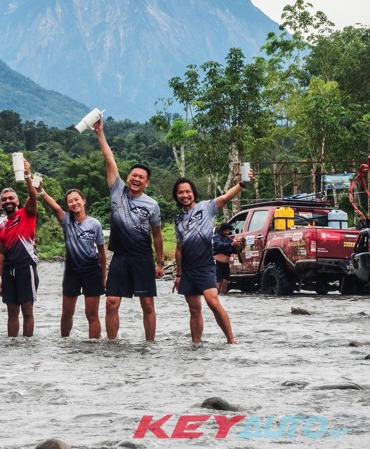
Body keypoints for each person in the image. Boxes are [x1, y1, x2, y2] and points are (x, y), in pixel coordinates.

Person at [92, 119, 164, 341]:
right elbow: (109, 159)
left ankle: (149, 344)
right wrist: (100, 133)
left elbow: (157, 234)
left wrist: (160, 262)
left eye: (141, 177)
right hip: (120, 257)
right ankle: (112, 343)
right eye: (134, 175)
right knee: (111, 302)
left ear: (147, 183)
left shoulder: (152, 205)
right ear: (128, 177)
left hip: (143, 257)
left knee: (147, 304)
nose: (136, 179)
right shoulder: (117, 191)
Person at [172, 172, 250, 344]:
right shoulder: (178, 219)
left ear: (193, 193)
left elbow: (226, 197)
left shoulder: (207, 207)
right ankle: (196, 343)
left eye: (187, 191)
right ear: (176, 196)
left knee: (213, 302)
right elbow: (179, 248)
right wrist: (178, 274)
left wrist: (242, 183)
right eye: (180, 192)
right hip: (188, 270)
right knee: (194, 309)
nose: (184, 195)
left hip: (206, 265)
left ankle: (231, 341)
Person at [39, 186, 107, 338]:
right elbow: (54, 206)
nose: (74, 203)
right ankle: (64, 342)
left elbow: (102, 252)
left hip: (92, 271)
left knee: (91, 314)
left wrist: (104, 276)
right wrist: (41, 191)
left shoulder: (94, 224)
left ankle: (93, 346)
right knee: (67, 313)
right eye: (70, 201)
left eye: (76, 199)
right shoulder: (66, 221)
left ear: (84, 200)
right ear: (68, 205)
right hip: (72, 272)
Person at [0, 159, 40, 337]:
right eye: (4, 199)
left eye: (11, 198)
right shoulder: (0, 225)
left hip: (26, 268)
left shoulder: (27, 214)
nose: (8, 201)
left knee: (27, 310)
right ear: (1, 203)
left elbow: (33, 196)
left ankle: (27, 345)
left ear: (17, 201)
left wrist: (27, 175)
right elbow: (1, 252)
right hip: (8, 271)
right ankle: (12, 345)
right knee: (12, 311)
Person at [213, 221, 236, 295]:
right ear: (221, 231)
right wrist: (230, 244)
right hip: (217, 263)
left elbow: (234, 251)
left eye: (228, 231)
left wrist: (239, 246)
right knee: (218, 282)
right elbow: (219, 245)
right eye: (225, 231)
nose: (227, 232)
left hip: (226, 264)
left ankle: (224, 297)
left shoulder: (229, 240)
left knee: (225, 282)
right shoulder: (216, 238)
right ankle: (215, 296)